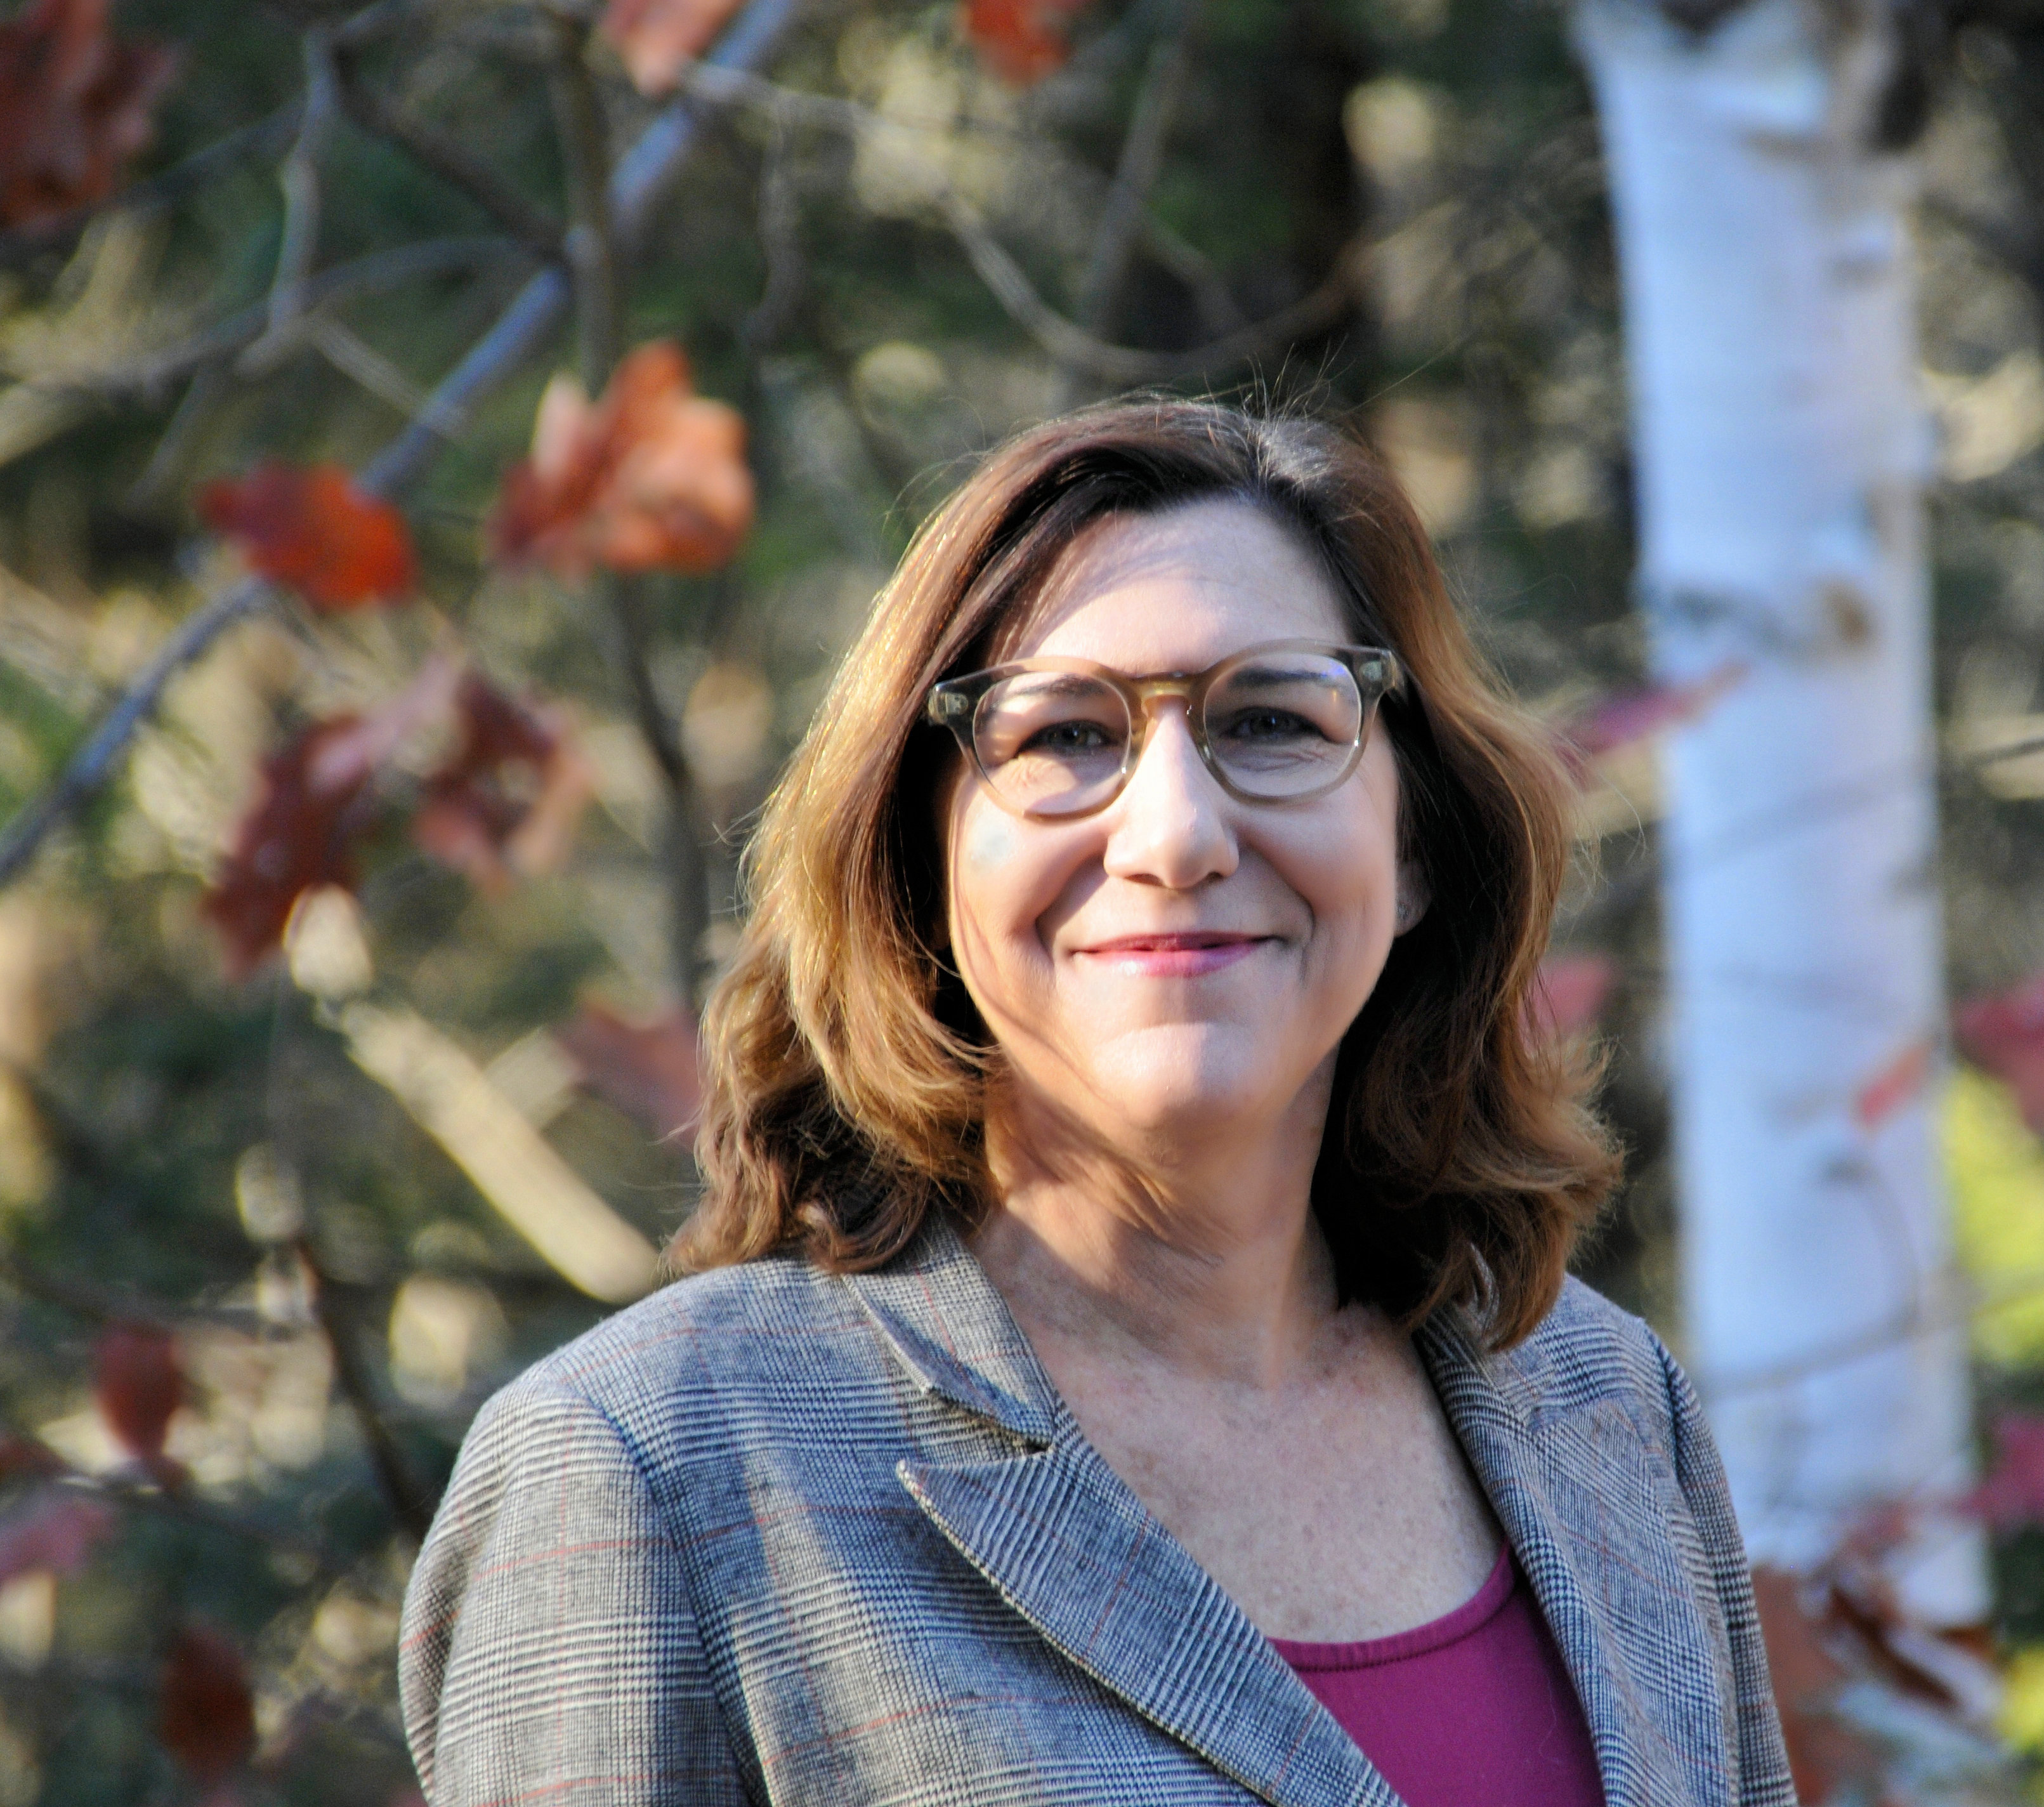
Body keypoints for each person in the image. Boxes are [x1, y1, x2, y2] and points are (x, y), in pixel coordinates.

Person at [398, 400, 1793, 1807]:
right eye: (1064, 733)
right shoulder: (655, 1464)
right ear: (920, 857)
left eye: (1270, 718)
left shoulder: (1610, 1417)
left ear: (1416, 838)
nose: (1176, 833)